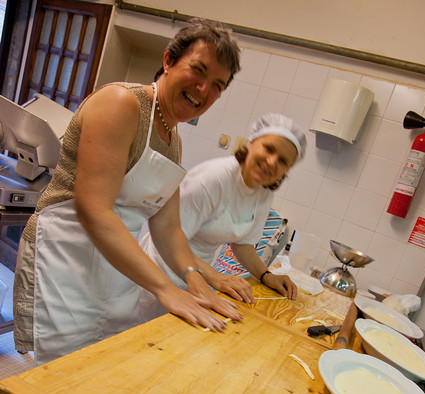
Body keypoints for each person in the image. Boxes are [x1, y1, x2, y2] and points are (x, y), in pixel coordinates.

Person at [13, 18, 242, 366]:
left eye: (217, 85)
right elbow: (94, 209)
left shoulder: (172, 140)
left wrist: (193, 278)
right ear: (168, 61)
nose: (203, 89)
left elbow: (167, 227)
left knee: (102, 367)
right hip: (65, 258)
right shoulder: (122, 104)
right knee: (59, 376)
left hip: (114, 271)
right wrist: (164, 289)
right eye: (198, 70)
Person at [139, 113, 307, 323]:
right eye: (269, 148)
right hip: (158, 273)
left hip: (197, 278)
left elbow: (242, 245)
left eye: (282, 161)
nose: (271, 162)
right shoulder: (214, 178)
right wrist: (216, 278)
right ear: (252, 142)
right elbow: (168, 237)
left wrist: (267, 276)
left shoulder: (263, 192)